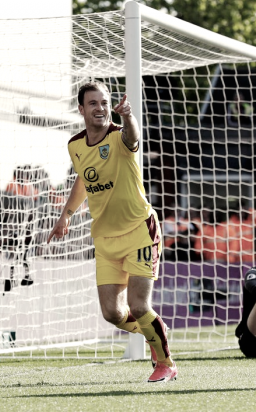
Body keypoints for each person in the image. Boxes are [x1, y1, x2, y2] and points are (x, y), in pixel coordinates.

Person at [47, 81, 177, 383]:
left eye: (104, 103)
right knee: (112, 314)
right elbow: (83, 180)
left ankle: (165, 364)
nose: (100, 108)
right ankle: (153, 329)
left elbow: (134, 137)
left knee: (139, 306)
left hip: (139, 231)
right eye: (93, 103)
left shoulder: (119, 136)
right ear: (81, 109)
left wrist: (128, 116)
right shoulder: (75, 145)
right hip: (105, 238)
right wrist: (66, 215)